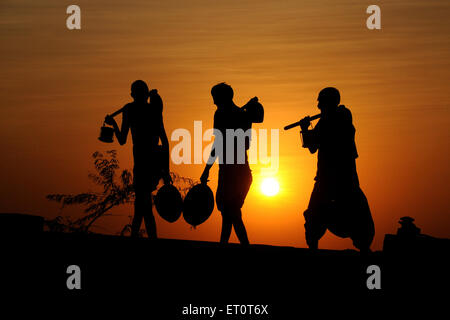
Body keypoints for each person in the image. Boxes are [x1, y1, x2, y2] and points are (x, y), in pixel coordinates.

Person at [299, 87, 374, 252]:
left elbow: (314, 145)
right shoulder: (328, 119)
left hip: (339, 178)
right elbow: (313, 147)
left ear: (328, 102)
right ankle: (313, 248)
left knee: (355, 214)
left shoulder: (341, 117)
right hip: (332, 178)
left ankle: (364, 249)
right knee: (315, 215)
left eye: (321, 101)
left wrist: (306, 129)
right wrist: (306, 129)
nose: (318, 105)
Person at [104, 80, 171, 238]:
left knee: (143, 206)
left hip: (142, 162)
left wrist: (113, 123)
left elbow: (121, 140)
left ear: (133, 94)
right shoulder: (153, 110)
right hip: (154, 164)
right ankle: (139, 236)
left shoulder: (130, 109)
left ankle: (143, 238)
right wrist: (166, 170)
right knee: (141, 205)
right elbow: (166, 142)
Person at [200, 83, 254, 245]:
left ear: (222, 98)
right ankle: (224, 244)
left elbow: (225, 143)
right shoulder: (240, 115)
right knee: (229, 213)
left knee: (232, 213)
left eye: (215, 98)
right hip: (234, 172)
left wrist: (206, 169)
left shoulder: (233, 115)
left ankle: (243, 246)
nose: (214, 102)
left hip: (234, 173)